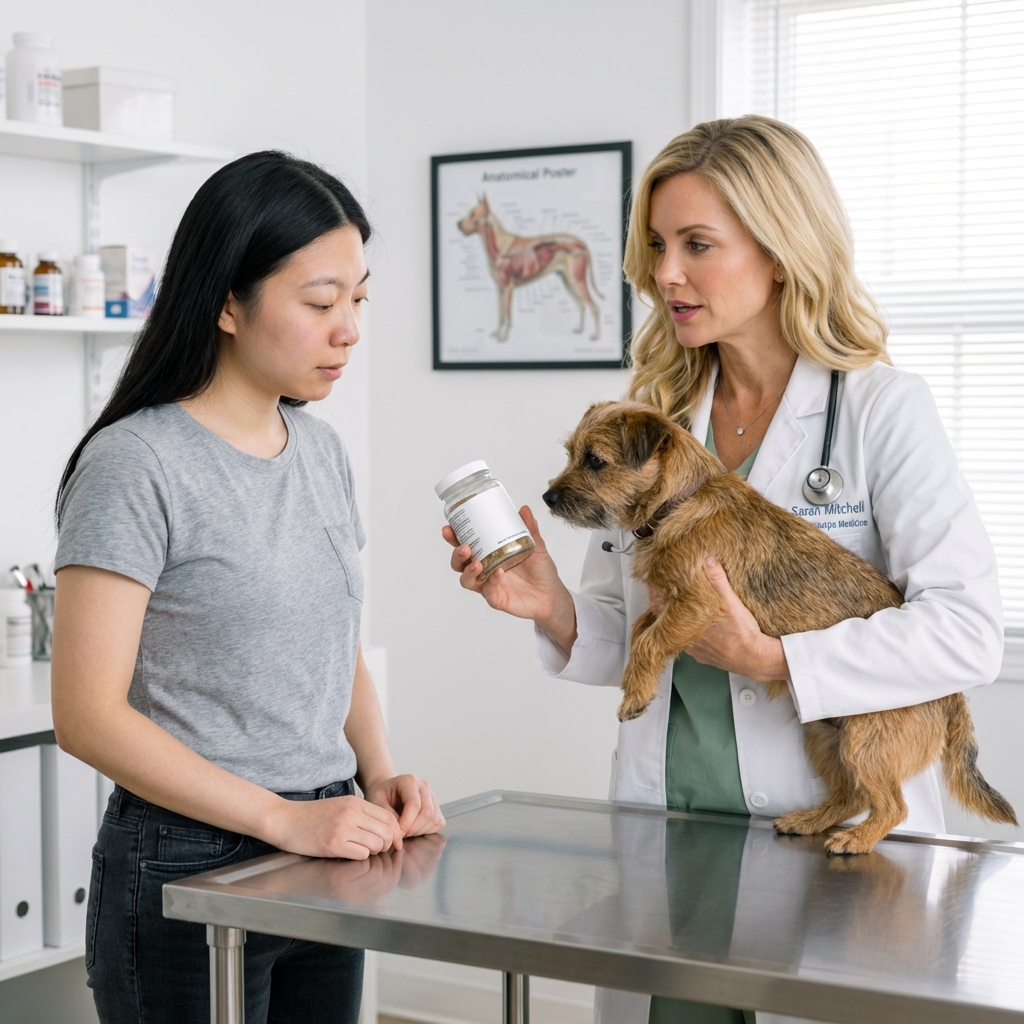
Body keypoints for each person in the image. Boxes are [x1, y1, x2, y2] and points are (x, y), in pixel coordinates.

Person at [443, 117, 1003, 1024]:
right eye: (659, 245)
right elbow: (633, 629)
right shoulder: (654, 423)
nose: (666, 274)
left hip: (829, 835)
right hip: (672, 827)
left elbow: (968, 631)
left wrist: (780, 662)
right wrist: (548, 607)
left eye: (698, 245)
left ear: (782, 251)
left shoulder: (879, 410)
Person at [51, 151, 445, 1024]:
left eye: (358, 300)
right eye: (319, 302)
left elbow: (331, 646)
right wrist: (282, 819)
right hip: (185, 860)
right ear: (229, 301)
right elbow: (87, 715)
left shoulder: (320, 452)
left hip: (328, 844)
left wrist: (379, 776)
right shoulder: (136, 465)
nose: (348, 329)